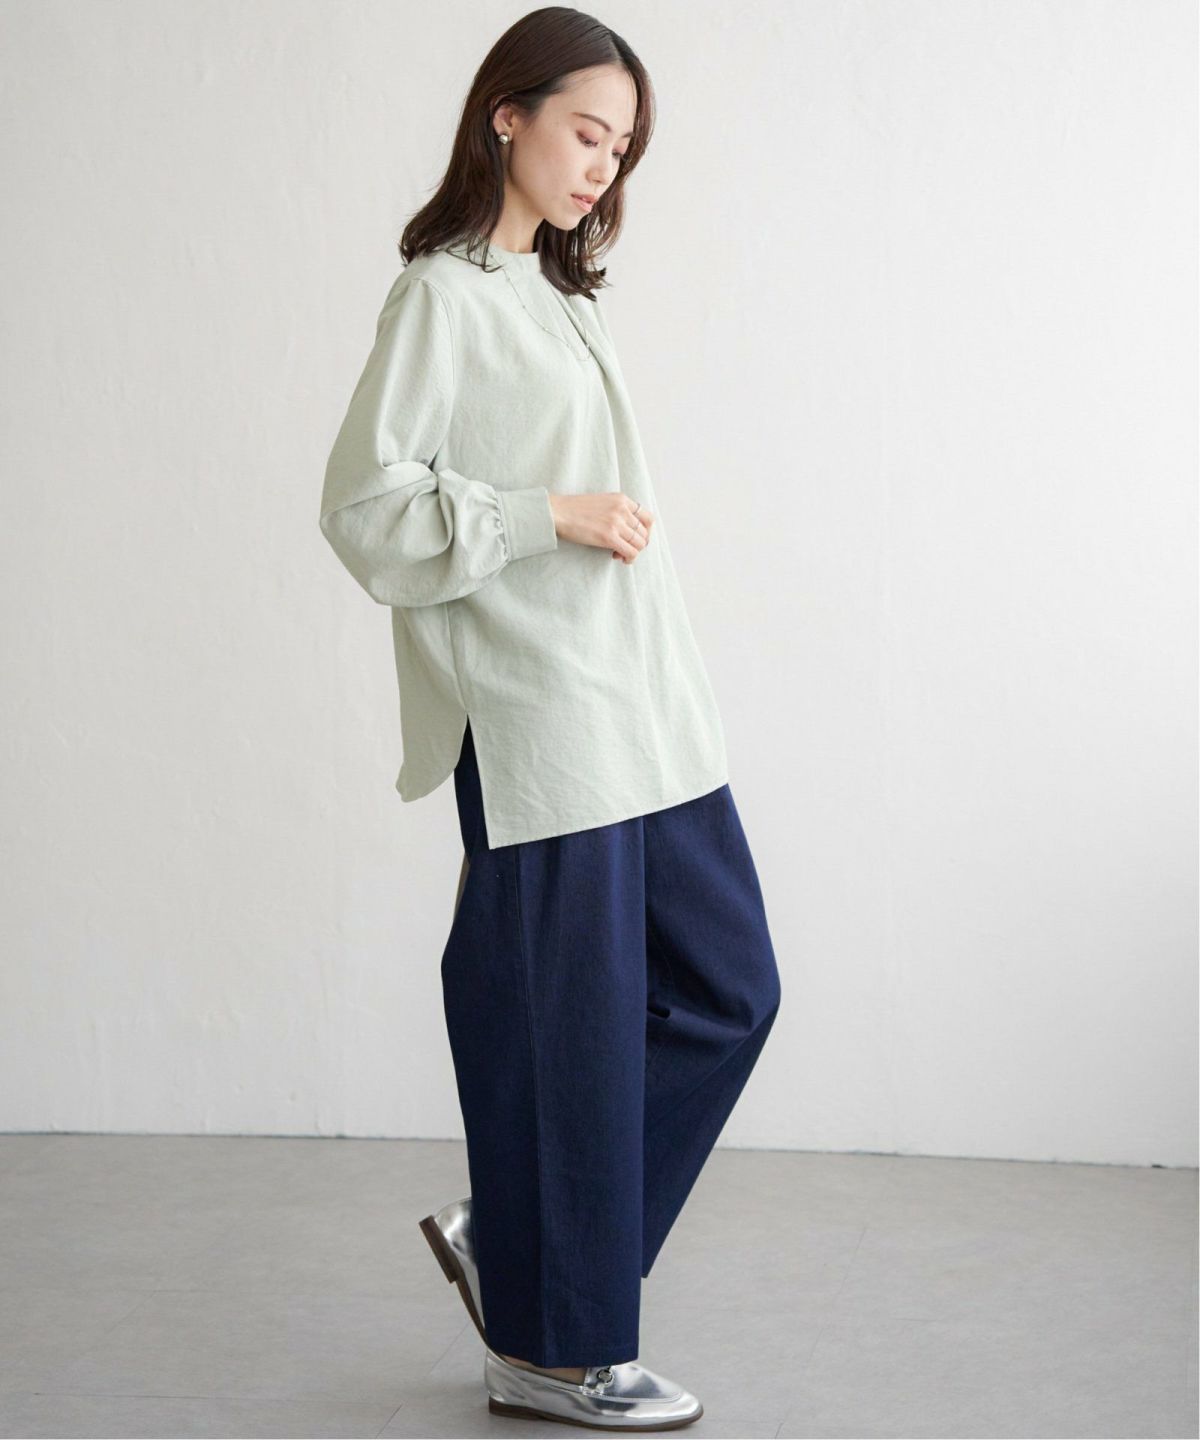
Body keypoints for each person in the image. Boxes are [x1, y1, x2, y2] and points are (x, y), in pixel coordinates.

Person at [319, 7, 781, 1430]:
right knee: (574, 1041)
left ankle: (520, 1245)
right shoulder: (442, 297)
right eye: (588, 131)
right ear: (505, 115)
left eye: (622, 148)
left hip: (648, 713)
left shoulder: (559, 297)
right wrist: (547, 515)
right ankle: (560, 1349)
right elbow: (367, 510)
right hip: (543, 724)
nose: (603, 166)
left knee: (731, 991)